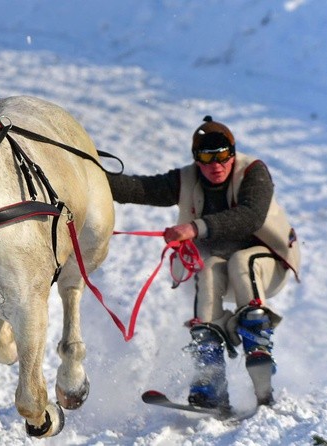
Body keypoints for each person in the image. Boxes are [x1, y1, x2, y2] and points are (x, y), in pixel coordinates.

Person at [108, 115, 301, 410]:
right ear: (196, 159)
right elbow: (138, 189)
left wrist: (195, 228)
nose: (217, 165)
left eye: (224, 156)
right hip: (224, 269)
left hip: (268, 264)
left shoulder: (253, 172)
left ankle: (257, 348)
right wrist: (85, 173)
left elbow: (250, 216)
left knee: (240, 260)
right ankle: (210, 379)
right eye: (207, 158)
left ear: (233, 153)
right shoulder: (187, 179)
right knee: (207, 270)